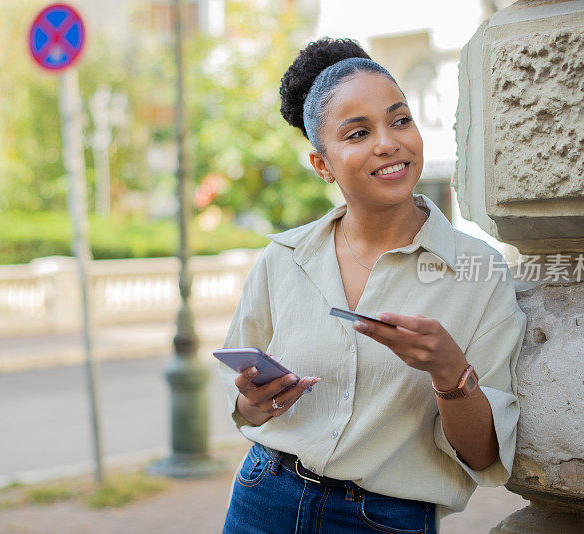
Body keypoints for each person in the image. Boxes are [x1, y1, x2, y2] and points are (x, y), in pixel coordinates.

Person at [217, 37, 527, 534]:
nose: (389, 142)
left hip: (385, 521)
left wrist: (450, 374)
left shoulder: (478, 271)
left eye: (400, 119)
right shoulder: (283, 260)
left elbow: (484, 454)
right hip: (263, 500)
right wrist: (256, 401)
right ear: (323, 165)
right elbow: (243, 405)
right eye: (358, 133)